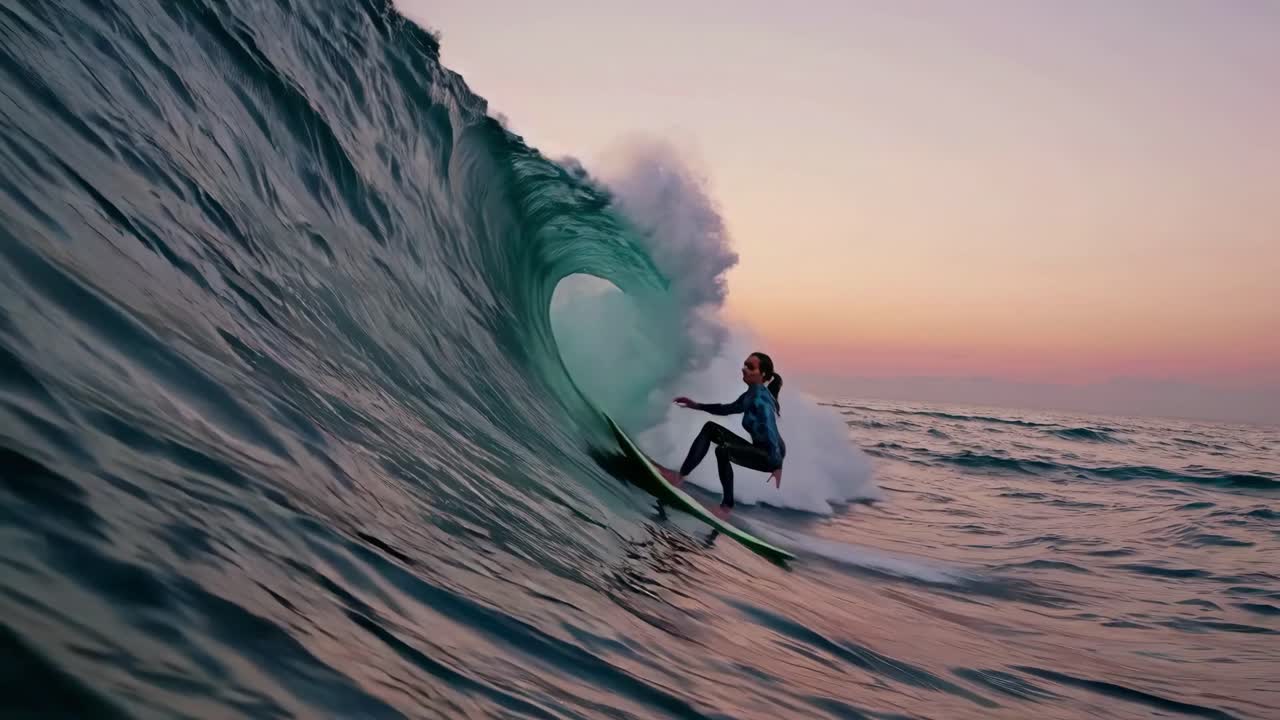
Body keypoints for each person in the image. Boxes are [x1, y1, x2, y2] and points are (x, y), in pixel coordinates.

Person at [667, 352, 786, 518]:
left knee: (723, 450)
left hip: (769, 456)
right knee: (710, 428)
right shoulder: (751, 394)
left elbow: (770, 429)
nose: (744, 369)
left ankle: (726, 506)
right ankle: (679, 477)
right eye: (745, 364)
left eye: (750, 367)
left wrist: (777, 464)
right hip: (762, 450)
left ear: (763, 374)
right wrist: (697, 406)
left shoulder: (760, 398)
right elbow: (727, 409)